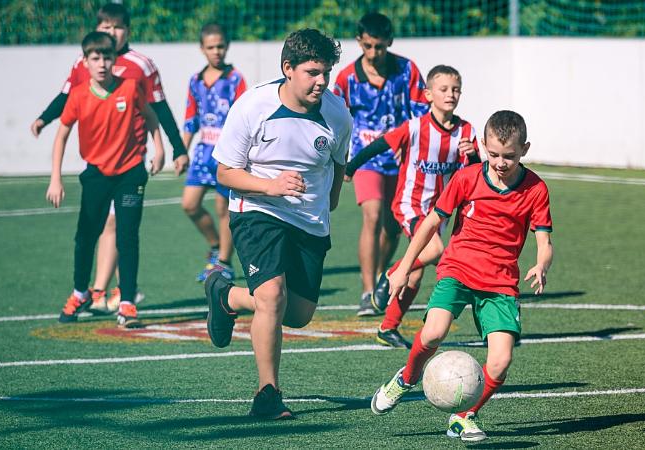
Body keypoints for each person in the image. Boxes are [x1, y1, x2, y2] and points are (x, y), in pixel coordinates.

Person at [369, 110, 554, 442]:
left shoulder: (536, 188)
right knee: (431, 334)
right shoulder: (467, 178)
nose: (500, 162)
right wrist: (405, 268)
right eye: (494, 154)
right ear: (482, 145)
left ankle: (465, 415)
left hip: (500, 283)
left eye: (509, 156)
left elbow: (544, 240)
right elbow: (429, 224)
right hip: (458, 269)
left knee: (501, 362)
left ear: (524, 149)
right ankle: (406, 379)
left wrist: (541, 265)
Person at [205, 29, 351, 420]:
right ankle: (267, 394)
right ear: (288, 69)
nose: (322, 81)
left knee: (299, 313)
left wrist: (331, 199)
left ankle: (227, 296)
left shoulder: (336, 113)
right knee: (271, 296)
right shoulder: (253, 106)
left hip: (309, 220)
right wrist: (270, 186)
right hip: (257, 210)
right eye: (312, 72)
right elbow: (225, 172)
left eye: (326, 73)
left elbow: (339, 163)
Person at [30, 3, 189, 314]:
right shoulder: (82, 63)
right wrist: (43, 119)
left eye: (118, 27)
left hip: (131, 165)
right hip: (98, 168)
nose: (111, 33)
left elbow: (158, 108)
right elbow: (67, 99)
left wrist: (174, 147)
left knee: (120, 227)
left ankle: (119, 293)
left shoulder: (141, 67)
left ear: (127, 31)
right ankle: (97, 290)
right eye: (106, 27)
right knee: (98, 229)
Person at [344, 65, 480, 348]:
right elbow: (381, 144)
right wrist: (352, 166)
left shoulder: (466, 131)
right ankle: (389, 277)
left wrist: (475, 155)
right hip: (410, 205)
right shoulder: (416, 127)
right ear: (428, 94)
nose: (450, 94)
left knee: (417, 272)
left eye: (455, 89)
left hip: (439, 211)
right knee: (433, 250)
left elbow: (476, 173)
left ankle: (387, 327)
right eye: (443, 89)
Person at [46, 31, 165, 329]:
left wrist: (159, 148)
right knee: (85, 236)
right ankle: (79, 293)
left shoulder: (130, 87)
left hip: (130, 173)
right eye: (95, 58)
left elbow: (150, 116)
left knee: (127, 237)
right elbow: (61, 136)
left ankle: (126, 302)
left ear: (115, 60)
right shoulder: (78, 95)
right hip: (96, 175)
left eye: (107, 58)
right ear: (85, 62)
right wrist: (55, 179)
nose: (101, 64)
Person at [333, 12, 429, 316]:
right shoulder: (346, 78)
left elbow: (422, 114)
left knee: (392, 227)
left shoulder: (408, 70)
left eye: (380, 47)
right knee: (372, 216)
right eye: (368, 46)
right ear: (359, 41)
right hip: (367, 159)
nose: (374, 53)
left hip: (402, 162)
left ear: (389, 42)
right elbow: (336, 119)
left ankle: (380, 276)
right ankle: (367, 291)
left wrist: (411, 145)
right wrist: (342, 158)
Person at [181, 23, 247, 282]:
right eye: (211, 47)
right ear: (202, 49)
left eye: (220, 46)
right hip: (202, 154)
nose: (216, 51)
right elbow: (190, 119)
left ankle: (224, 263)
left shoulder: (235, 79)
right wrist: (181, 151)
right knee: (189, 204)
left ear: (227, 46)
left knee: (223, 208)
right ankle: (217, 245)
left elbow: (244, 116)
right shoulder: (195, 81)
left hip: (226, 154)